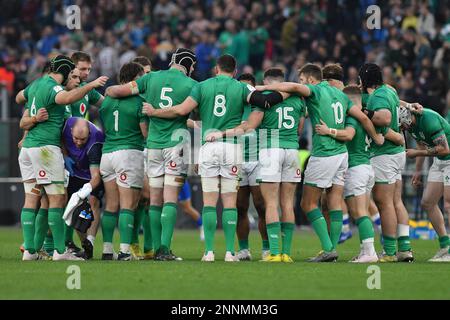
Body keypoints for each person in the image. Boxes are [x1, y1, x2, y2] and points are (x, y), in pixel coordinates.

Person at [143, 54, 289, 262]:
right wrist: (284, 93)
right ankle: (230, 252)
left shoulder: (202, 86)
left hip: (208, 147)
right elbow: (264, 101)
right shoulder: (240, 87)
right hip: (231, 147)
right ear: (235, 72)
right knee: (229, 203)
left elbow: (181, 110)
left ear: (216, 69)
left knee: (209, 202)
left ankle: (209, 252)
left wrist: (155, 111)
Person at [256, 63, 383, 262]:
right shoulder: (341, 96)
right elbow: (364, 119)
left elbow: (296, 89)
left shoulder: (316, 90)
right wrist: (376, 138)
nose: (300, 84)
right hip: (342, 155)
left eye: (302, 80)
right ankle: (331, 249)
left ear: (311, 80)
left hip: (324, 153)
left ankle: (327, 248)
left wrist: (265, 88)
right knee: (333, 202)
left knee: (307, 203)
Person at [106, 48, 198, 261]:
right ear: (187, 64)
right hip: (176, 146)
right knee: (170, 199)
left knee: (154, 200)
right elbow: (181, 111)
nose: (193, 69)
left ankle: (154, 249)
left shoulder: (151, 78)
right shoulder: (192, 85)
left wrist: (122, 93)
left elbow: (113, 92)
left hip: (153, 145)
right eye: (192, 66)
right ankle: (164, 249)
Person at [16, 55, 108, 261]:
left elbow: (18, 98)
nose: (75, 78)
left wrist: (32, 118)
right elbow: (65, 98)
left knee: (33, 199)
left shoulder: (36, 85)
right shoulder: (54, 88)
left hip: (29, 151)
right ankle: (59, 251)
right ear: (66, 72)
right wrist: (92, 84)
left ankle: (30, 251)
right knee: (57, 198)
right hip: (46, 150)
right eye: (73, 74)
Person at [243, 68, 305, 262]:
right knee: (288, 204)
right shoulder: (298, 99)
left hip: (270, 149)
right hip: (292, 150)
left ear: (265, 81)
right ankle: (286, 253)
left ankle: (275, 252)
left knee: (271, 203)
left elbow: (254, 124)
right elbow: (299, 129)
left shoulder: (263, 96)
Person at [359, 63, 413, 262]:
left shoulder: (378, 96)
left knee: (384, 203)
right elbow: (397, 104)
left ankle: (389, 252)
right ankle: (405, 247)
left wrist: (368, 114)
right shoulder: (389, 91)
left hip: (384, 154)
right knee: (396, 201)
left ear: (364, 80)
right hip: (396, 153)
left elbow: (385, 117)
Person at [99, 62, 147, 261]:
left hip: (107, 154)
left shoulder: (107, 101)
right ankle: (125, 251)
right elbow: (145, 133)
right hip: (128, 153)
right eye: (142, 76)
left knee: (111, 205)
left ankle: (107, 250)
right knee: (128, 205)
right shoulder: (139, 102)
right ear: (135, 78)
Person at [399, 106, 450, 262]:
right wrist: (418, 171)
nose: (402, 129)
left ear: (407, 119)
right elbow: (421, 144)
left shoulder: (428, 120)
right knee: (427, 203)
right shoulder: (412, 124)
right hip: (439, 162)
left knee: (448, 204)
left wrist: (417, 153)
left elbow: (444, 149)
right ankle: (445, 247)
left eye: (402, 125)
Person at [235, 72, 269, 261]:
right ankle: (244, 249)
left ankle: (266, 248)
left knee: (261, 205)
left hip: (258, 160)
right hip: (238, 160)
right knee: (240, 206)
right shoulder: (235, 107)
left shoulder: (261, 106)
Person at [62, 117, 105, 259]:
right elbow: (60, 140)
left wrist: (86, 189)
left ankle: (90, 242)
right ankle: (84, 244)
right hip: (74, 171)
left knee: (93, 202)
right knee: (74, 207)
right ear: (70, 131)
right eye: (76, 139)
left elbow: (96, 176)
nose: (79, 143)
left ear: (89, 135)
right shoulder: (65, 125)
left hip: (91, 175)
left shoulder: (96, 140)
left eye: (83, 140)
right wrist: (65, 154)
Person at [129, 55, 153, 260]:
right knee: (141, 198)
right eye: (144, 73)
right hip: (138, 150)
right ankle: (133, 242)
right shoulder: (132, 98)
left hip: (155, 149)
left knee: (152, 199)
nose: (148, 76)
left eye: (149, 72)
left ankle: (150, 247)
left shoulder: (155, 94)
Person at [68, 52, 104, 118]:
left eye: (89, 69)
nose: (87, 73)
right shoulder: (61, 87)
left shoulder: (87, 88)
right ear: (72, 67)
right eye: (83, 69)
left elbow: (106, 104)